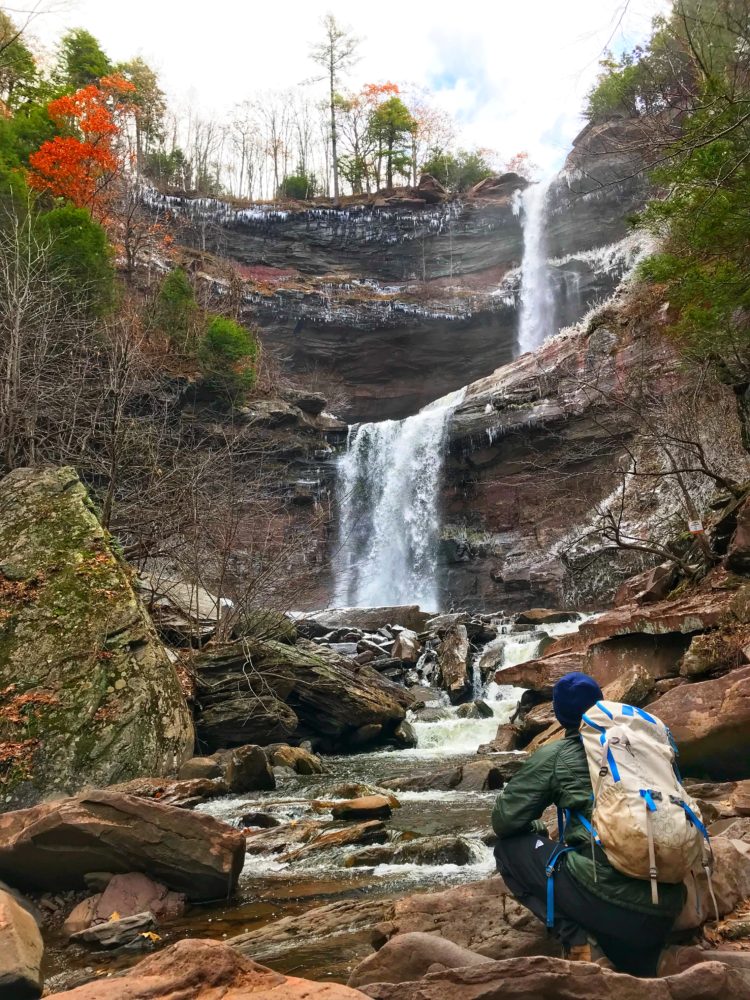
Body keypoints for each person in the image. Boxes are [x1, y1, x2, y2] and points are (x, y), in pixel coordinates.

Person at [491, 671, 685, 977]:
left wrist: (537, 831)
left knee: (509, 849)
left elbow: (503, 820)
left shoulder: (558, 754)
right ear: (601, 704)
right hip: (669, 906)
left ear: (557, 714)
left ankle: (580, 943)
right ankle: (642, 954)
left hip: (614, 906)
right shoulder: (643, 745)